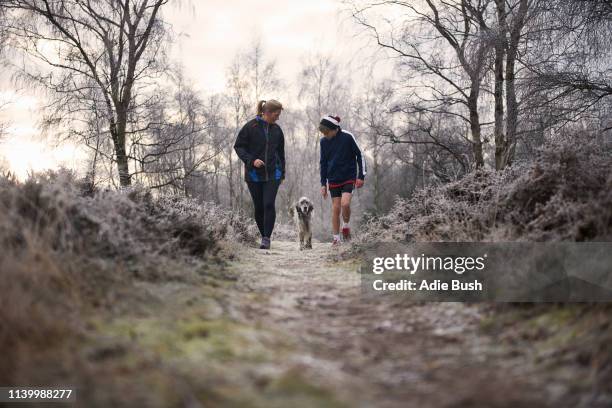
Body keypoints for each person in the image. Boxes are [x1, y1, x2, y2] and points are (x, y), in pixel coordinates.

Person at [234, 99, 285, 249]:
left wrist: (282, 173)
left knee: (269, 204)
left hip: (273, 173)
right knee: (259, 207)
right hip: (254, 174)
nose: (278, 117)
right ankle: (263, 234)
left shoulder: (277, 130)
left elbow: (281, 153)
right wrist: (252, 160)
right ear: (267, 113)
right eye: (276, 114)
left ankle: (266, 238)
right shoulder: (250, 127)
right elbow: (239, 147)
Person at [319, 115, 366, 246]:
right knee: (335, 208)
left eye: (327, 132)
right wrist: (323, 184)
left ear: (335, 129)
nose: (325, 135)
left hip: (348, 177)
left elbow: (359, 155)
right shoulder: (323, 142)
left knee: (345, 204)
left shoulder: (347, 137)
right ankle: (336, 239)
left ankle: (345, 225)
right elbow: (323, 163)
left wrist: (361, 176)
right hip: (333, 178)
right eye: (323, 133)